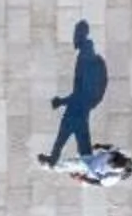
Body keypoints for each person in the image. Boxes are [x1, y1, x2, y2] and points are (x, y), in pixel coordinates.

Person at [42, 20, 108, 168]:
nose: (73, 37)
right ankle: (54, 159)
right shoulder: (85, 54)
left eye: (76, 33)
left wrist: (61, 101)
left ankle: (99, 170)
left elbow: (81, 92)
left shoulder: (85, 57)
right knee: (75, 139)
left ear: (81, 35)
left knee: (68, 134)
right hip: (80, 109)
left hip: (77, 108)